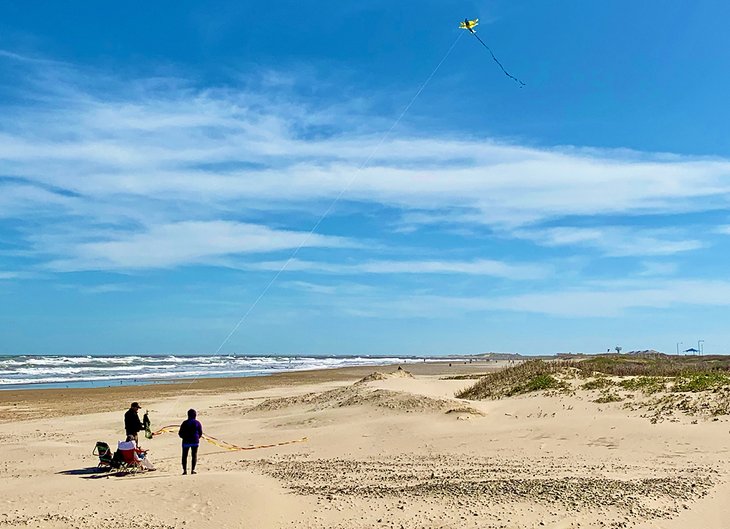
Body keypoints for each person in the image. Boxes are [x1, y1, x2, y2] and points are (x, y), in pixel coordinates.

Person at [179, 408, 203, 475]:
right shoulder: (197, 423)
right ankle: (193, 470)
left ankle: (184, 471)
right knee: (194, 455)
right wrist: (198, 437)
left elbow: (180, 433)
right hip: (195, 441)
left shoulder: (184, 423)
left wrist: (183, 437)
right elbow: (200, 432)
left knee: (184, 456)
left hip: (186, 441)